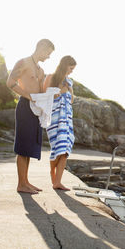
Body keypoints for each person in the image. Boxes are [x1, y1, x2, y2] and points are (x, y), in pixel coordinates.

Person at [6, 39, 55, 194]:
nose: (48, 56)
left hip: (35, 108)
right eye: (48, 53)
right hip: (25, 106)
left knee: (29, 146)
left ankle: (26, 182)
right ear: (41, 48)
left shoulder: (40, 70)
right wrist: (29, 96)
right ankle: (21, 184)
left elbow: (41, 91)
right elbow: (10, 82)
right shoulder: (23, 62)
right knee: (22, 146)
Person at [43, 56, 76, 190]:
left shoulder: (69, 82)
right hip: (54, 118)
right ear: (64, 65)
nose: (72, 71)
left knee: (65, 150)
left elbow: (71, 101)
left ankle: (58, 181)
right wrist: (59, 92)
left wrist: (70, 91)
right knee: (57, 148)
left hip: (67, 118)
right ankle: (53, 174)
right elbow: (44, 96)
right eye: (71, 68)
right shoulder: (51, 77)